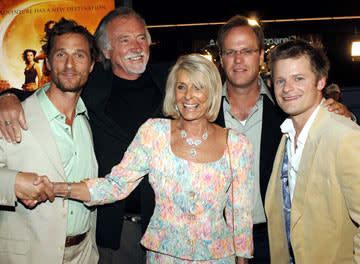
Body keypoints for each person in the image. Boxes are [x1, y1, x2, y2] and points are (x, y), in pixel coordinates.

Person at [0, 7, 171, 264]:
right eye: (124, 39)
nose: (136, 46)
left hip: (154, 235)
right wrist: (7, 97)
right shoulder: (87, 94)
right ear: (105, 52)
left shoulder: (172, 83)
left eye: (141, 38)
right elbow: (57, 88)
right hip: (95, 241)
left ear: (90, 64)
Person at [50, 53, 254, 264]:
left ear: (212, 92)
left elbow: (241, 214)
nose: (188, 96)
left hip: (219, 257)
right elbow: (116, 186)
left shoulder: (237, 145)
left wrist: (243, 259)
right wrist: (61, 189)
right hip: (163, 256)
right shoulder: (154, 133)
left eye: (198, 87)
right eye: (181, 87)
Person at [214, 15, 353, 264]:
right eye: (230, 51)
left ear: (260, 57)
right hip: (217, 239)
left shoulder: (286, 111)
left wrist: (344, 114)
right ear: (221, 58)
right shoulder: (201, 111)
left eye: (246, 50)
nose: (238, 59)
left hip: (272, 239)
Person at [0, 18, 99, 263]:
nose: (69, 65)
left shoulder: (88, 120)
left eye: (79, 55)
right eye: (61, 54)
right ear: (48, 64)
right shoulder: (12, 116)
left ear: (91, 65)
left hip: (84, 254)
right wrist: (12, 183)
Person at [265, 39, 360, 263]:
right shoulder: (286, 135)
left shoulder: (345, 136)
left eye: (298, 78)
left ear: (321, 81)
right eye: (280, 80)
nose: (287, 88)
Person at [35, 20, 56, 87]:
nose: (52, 32)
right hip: (47, 77)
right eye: (50, 30)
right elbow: (37, 56)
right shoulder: (45, 46)